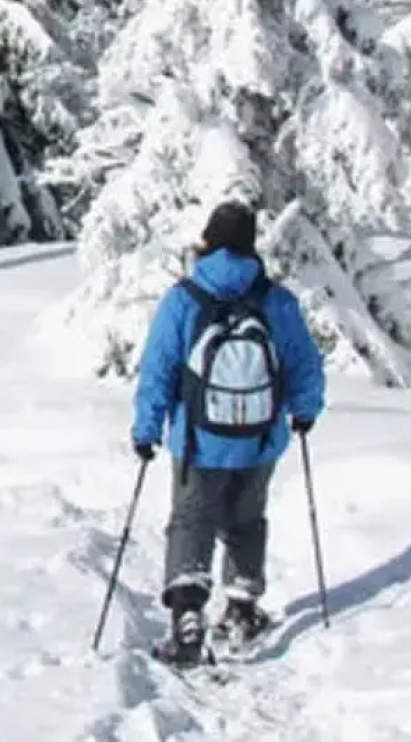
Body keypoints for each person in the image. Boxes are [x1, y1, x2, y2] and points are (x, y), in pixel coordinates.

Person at [131, 200, 325, 665]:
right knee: (245, 520)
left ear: (209, 241)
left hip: (199, 440)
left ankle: (186, 619)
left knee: (191, 521)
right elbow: (304, 363)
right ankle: (241, 609)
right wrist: (304, 411)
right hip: (259, 439)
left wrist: (146, 430)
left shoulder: (184, 299)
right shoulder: (275, 299)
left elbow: (157, 369)